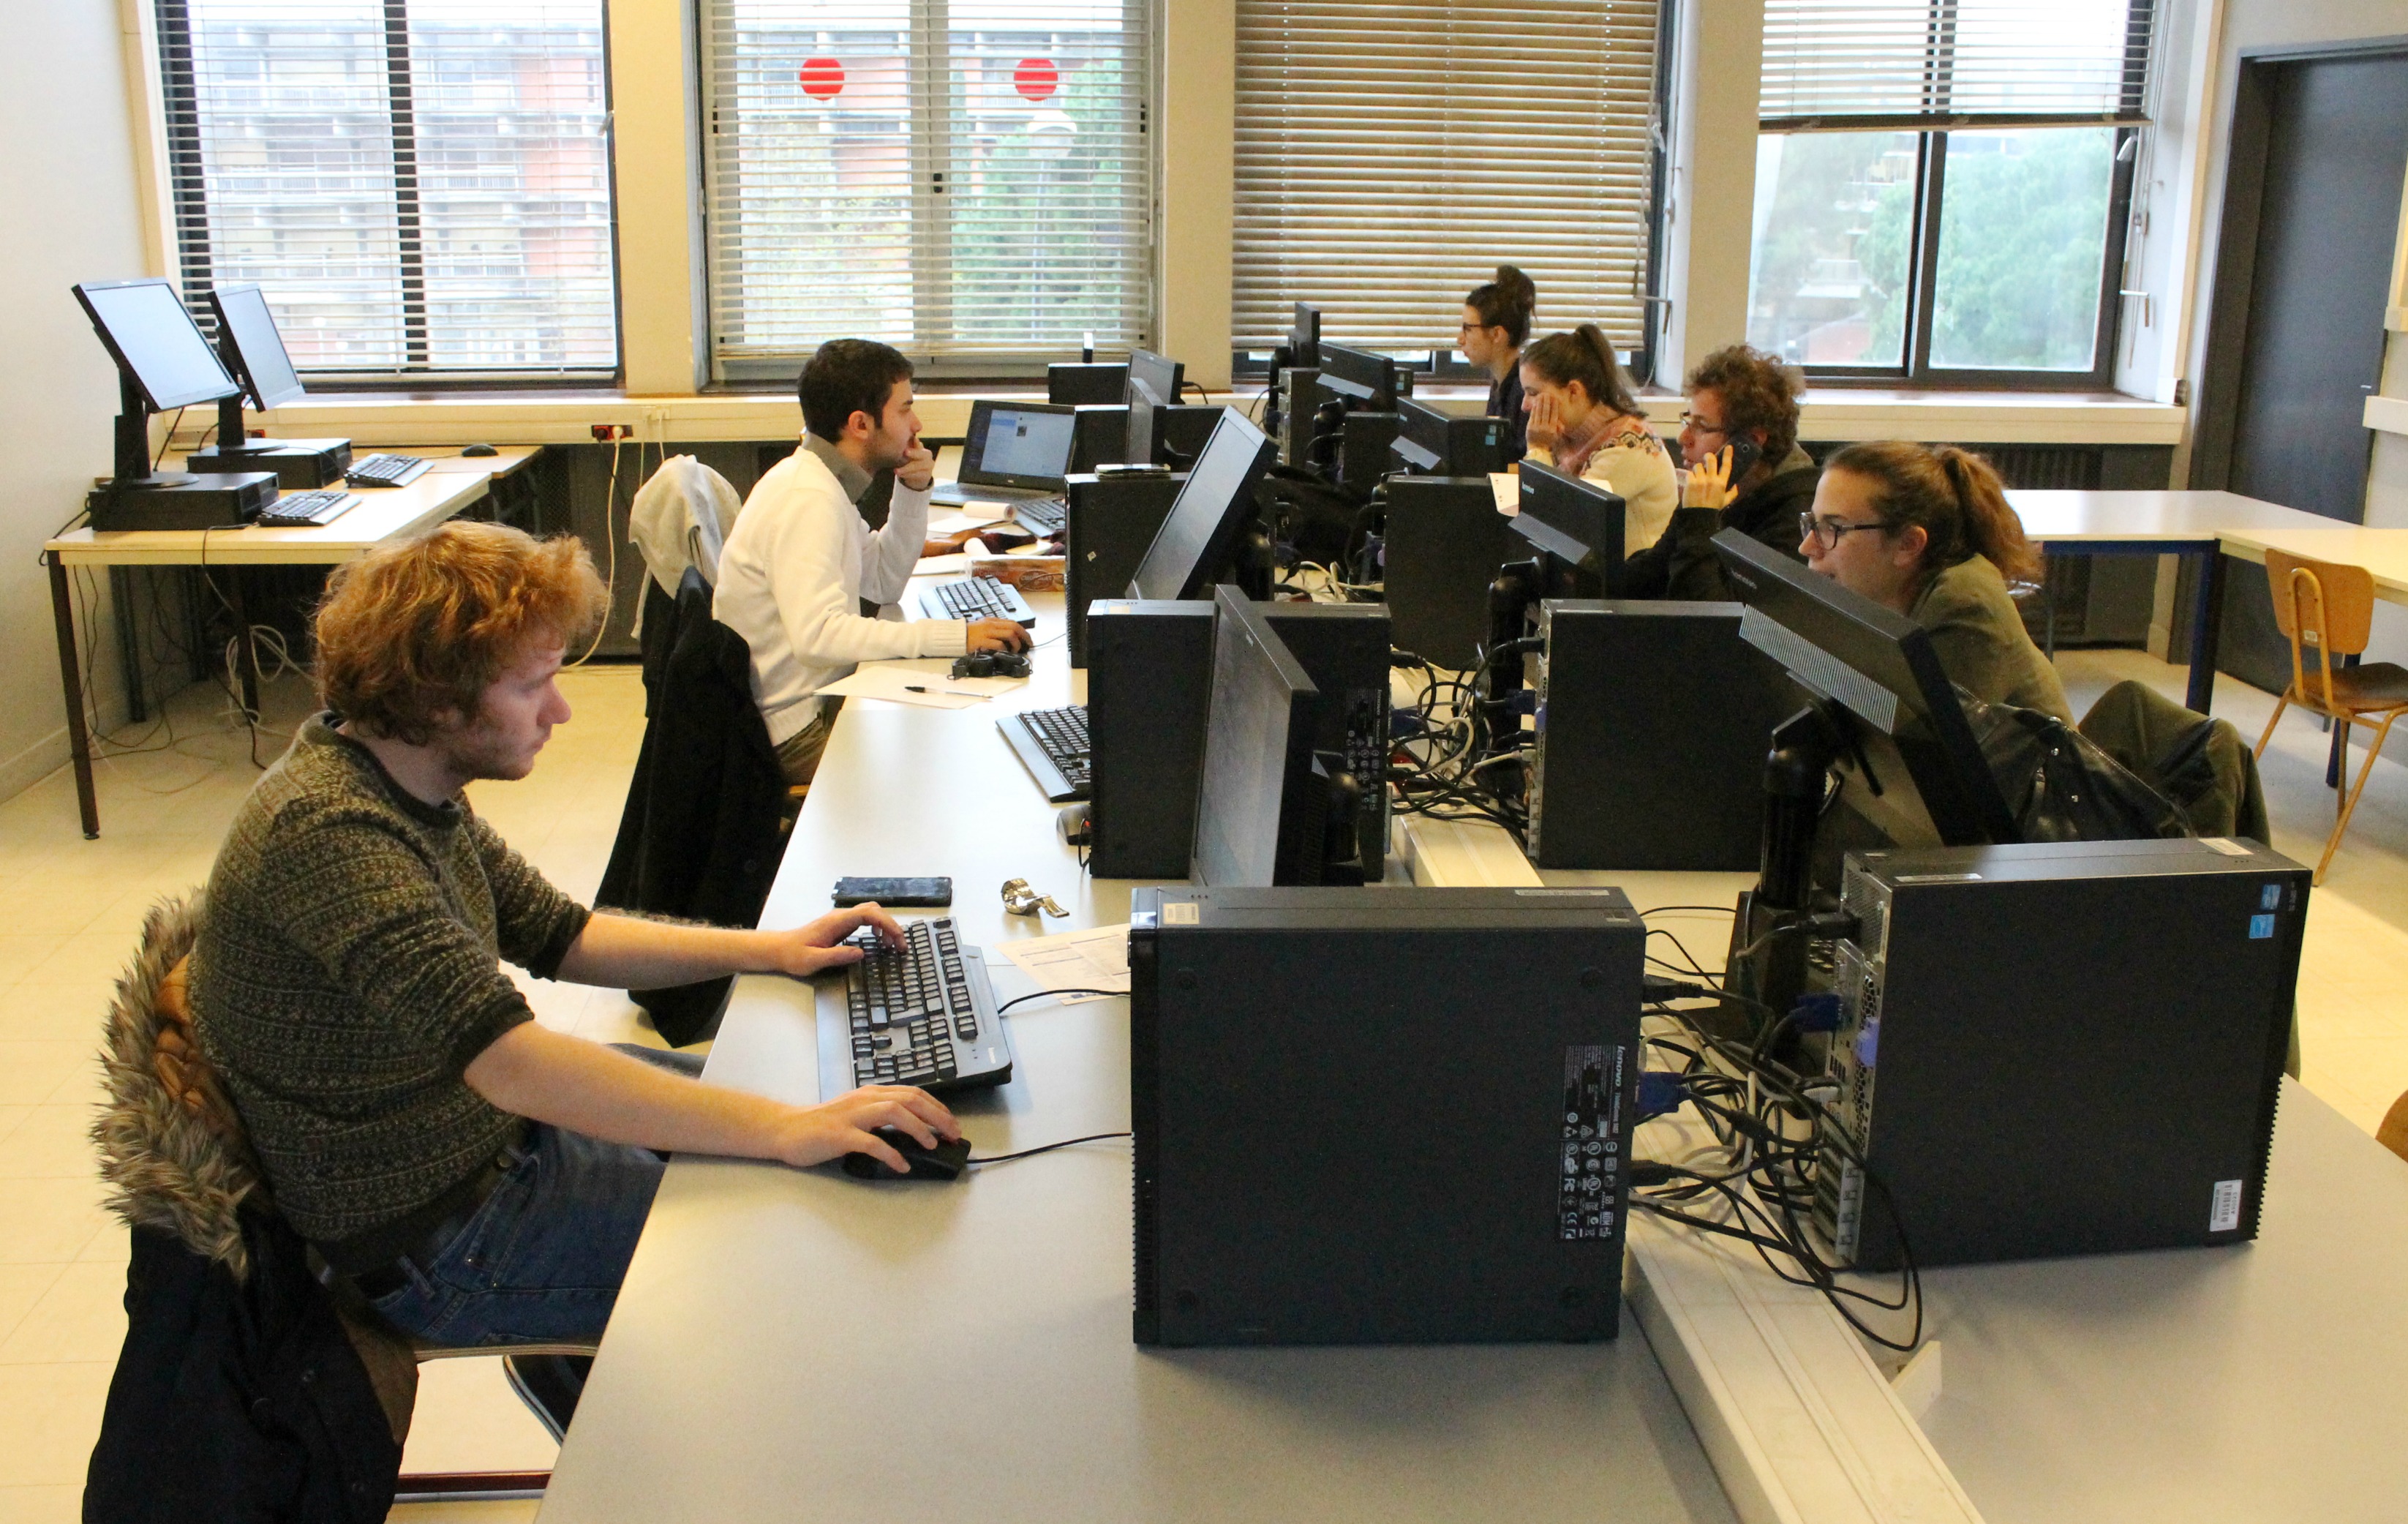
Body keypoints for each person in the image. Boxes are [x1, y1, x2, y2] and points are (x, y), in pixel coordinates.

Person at [189, 520, 962, 1353]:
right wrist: (781, 1129)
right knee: (800, 1229)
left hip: (487, 1144)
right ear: (438, 699)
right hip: (437, 1234)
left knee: (788, 1106)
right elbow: (512, 1062)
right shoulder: (331, 833)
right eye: (534, 687)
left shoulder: (404, 779)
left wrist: (770, 947)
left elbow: (567, 936)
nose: (559, 710)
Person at [715, 339, 1030, 786]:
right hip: (793, 733)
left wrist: (914, 490)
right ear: (861, 424)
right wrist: (955, 636)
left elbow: (883, 582)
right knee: (957, 763)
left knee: (953, 735)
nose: (917, 424)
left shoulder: (820, 483)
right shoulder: (807, 498)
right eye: (905, 410)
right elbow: (819, 638)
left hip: (817, 702)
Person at [1801, 440, 2074, 721]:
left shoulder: (1966, 607)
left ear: (1908, 544)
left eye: (1834, 528)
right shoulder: (1886, 598)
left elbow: (1913, 755)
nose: (1807, 547)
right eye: (1812, 524)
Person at [1620, 344, 1822, 601]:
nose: (1683, 438)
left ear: (1749, 443)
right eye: (1687, 422)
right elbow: (1648, 577)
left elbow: (1707, 622)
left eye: (1701, 427)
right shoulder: (1720, 489)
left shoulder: (1794, 521)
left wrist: (1699, 518)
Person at [1519, 324, 1677, 555]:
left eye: (1533, 393)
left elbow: (1561, 523)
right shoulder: (1566, 436)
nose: (1524, 405)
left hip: (1634, 583)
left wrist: (1538, 448)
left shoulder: (1628, 447)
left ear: (1573, 391)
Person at [1461, 266, 1538, 457]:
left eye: (1468, 329)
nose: (1460, 339)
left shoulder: (1524, 393)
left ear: (1496, 334)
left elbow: (1518, 466)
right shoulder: (1500, 380)